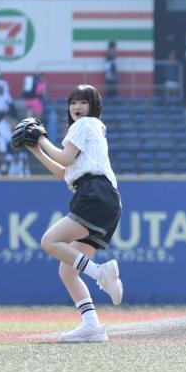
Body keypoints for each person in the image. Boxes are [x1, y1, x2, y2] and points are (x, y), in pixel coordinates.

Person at [23, 84, 124, 342]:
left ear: (93, 107)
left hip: (94, 193)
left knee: (49, 241)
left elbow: (65, 158)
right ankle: (92, 326)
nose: (77, 107)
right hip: (104, 197)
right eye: (73, 103)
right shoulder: (90, 131)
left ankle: (101, 274)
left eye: (83, 102)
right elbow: (63, 172)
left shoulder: (85, 124)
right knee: (67, 271)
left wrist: (41, 137)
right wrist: (35, 148)